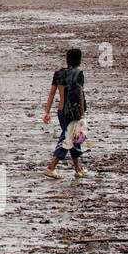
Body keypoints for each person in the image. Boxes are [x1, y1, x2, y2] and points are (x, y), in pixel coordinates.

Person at [42, 47, 88, 179]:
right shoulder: (78, 73)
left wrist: (47, 112)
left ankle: (78, 169)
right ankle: (51, 167)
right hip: (73, 112)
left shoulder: (58, 73)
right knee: (68, 137)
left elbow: (52, 93)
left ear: (67, 59)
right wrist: (82, 114)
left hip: (61, 111)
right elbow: (80, 95)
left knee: (73, 138)